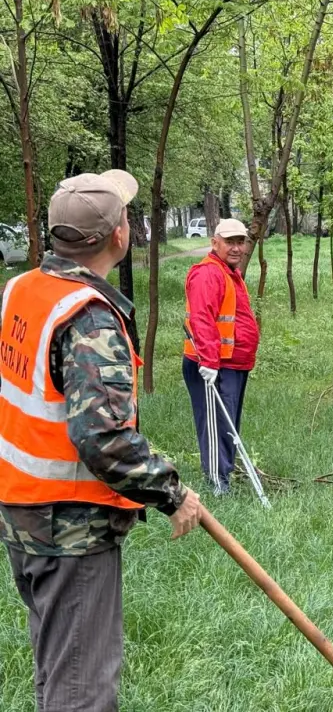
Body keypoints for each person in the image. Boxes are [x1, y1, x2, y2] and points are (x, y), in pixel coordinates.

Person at [0, 170, 201, 712]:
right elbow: (103, 437)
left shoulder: (22, 289)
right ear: (118, 234)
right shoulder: (87, 317)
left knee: (57, 669)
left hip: (22, 515)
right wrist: (172, 492)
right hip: (71, 529)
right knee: (81, 692)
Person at [182, 219, 260, 494]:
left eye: (240, 241)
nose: (237, 248)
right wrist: (209, 362)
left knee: (227, 426)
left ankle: (224, 473)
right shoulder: (208, 273)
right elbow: (202, 320)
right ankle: (217, 484)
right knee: (216, 425)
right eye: (230, 242)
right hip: (214, 366)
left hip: (233, 363)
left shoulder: (229, 272)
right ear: (215, 243)